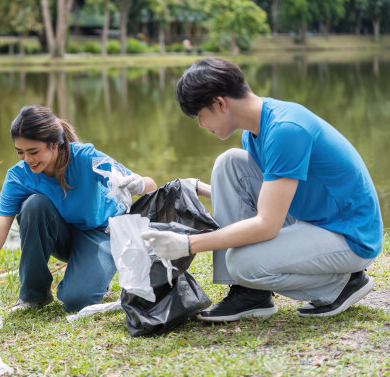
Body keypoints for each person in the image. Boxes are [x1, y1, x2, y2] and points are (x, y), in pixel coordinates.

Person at [141, 58, 383, 322]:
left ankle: (342, 285)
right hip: (315, 217)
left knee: (242, 263)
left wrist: (188, 244)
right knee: (229, 163)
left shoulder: (285, 130)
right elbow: (269, 194)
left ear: (220, 103)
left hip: (349, 235)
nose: (201, 125)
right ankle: (249, 294)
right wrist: (196, 188)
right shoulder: (255, 130)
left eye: (200, 115)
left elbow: (267, 224)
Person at [0, 105, 157, 324]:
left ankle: (96, 275)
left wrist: (137, 183)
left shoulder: (86, 158)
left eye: (33, 152)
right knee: (33, 206)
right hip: (63, 235)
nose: (28, 160)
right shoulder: (18, 177)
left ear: (54, 144)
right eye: (20, 152)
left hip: (101, 233)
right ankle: (34, 295)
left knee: (78, 301)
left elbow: (150, 184)